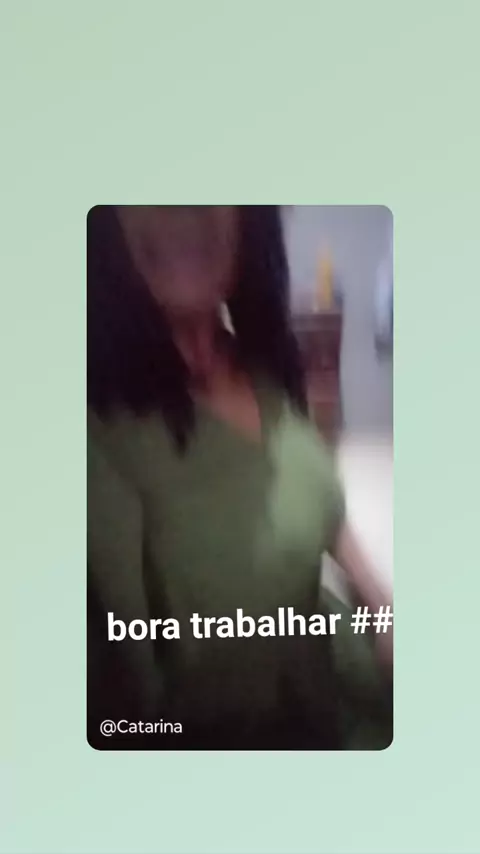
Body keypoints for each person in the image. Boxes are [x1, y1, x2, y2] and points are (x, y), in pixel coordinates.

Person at [87, 205, 392, 750]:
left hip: (333, 673)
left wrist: (381, 606)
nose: (185, 207)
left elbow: (319, 499)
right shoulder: (93, 433)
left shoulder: (267, 362)